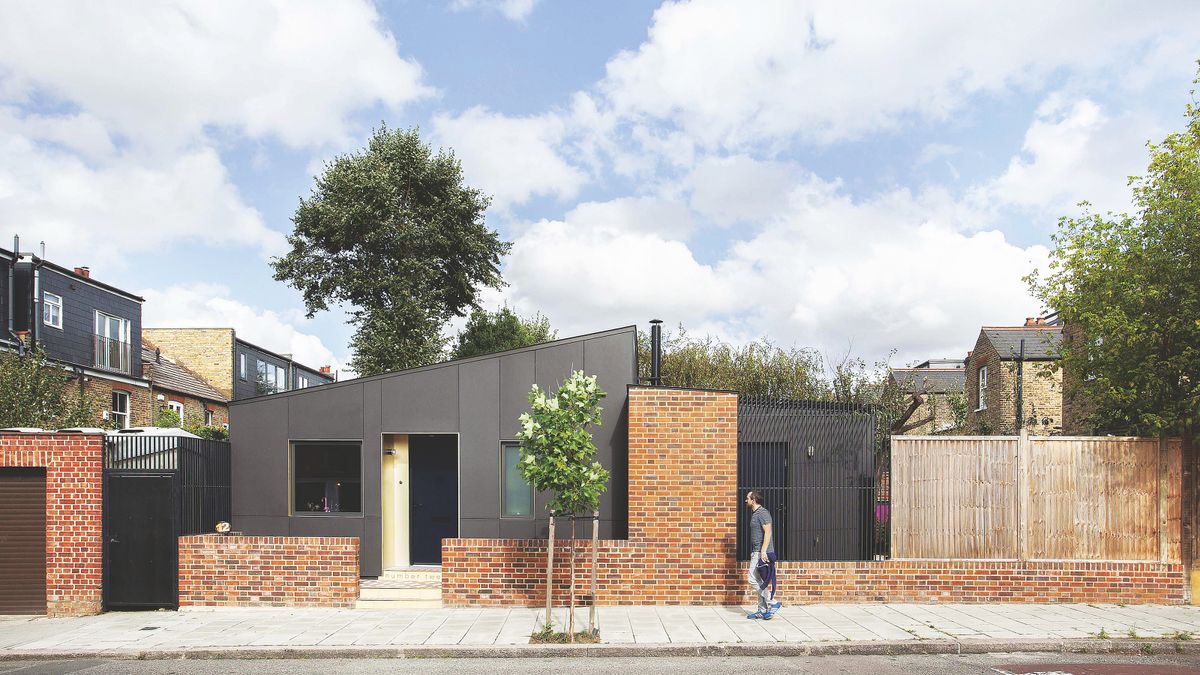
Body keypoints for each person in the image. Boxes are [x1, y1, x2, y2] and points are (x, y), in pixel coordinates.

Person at [745, 490, 778, 619]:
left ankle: (772, 602)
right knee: (759, 580)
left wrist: (763, 551)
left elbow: (768, 532)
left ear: (753, 500)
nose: (745, 500)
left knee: (751, 579)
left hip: (761, 552)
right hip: (756, 551)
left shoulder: (763, 513)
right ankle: (762, 610)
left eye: (747, 498)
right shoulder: (755, 514)